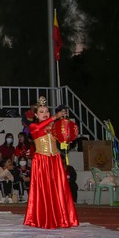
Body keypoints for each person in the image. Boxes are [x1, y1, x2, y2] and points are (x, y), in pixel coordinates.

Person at [23, 96, 79, 229]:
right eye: (41, 112)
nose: (45, 113)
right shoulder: (33, 126)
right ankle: (44, 218)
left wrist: (67, 137)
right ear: (36, 115)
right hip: (42, 160)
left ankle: (62, 218)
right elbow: (39, 127)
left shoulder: (54, 126)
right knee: (44, 190)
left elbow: (63, 136)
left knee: (59, 189)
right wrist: (55, 117)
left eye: (47, 111)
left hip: (55, 159)